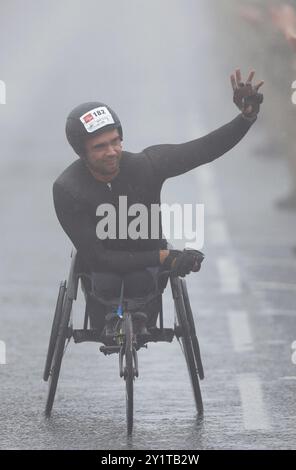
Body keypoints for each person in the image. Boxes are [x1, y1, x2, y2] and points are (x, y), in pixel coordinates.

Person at [53, 69, 264, 332]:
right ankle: (111, 320)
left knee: (139, 280)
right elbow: (98, 259)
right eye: (100, 147)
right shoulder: (67, 188)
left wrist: (246, 117)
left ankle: (140, 319)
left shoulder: (147, 165)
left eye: (115, 142)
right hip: (102, 270)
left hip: (147, 266)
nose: (111, 152)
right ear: (81, 152)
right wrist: (165, 256)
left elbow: (204, 149)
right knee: (107, 281)